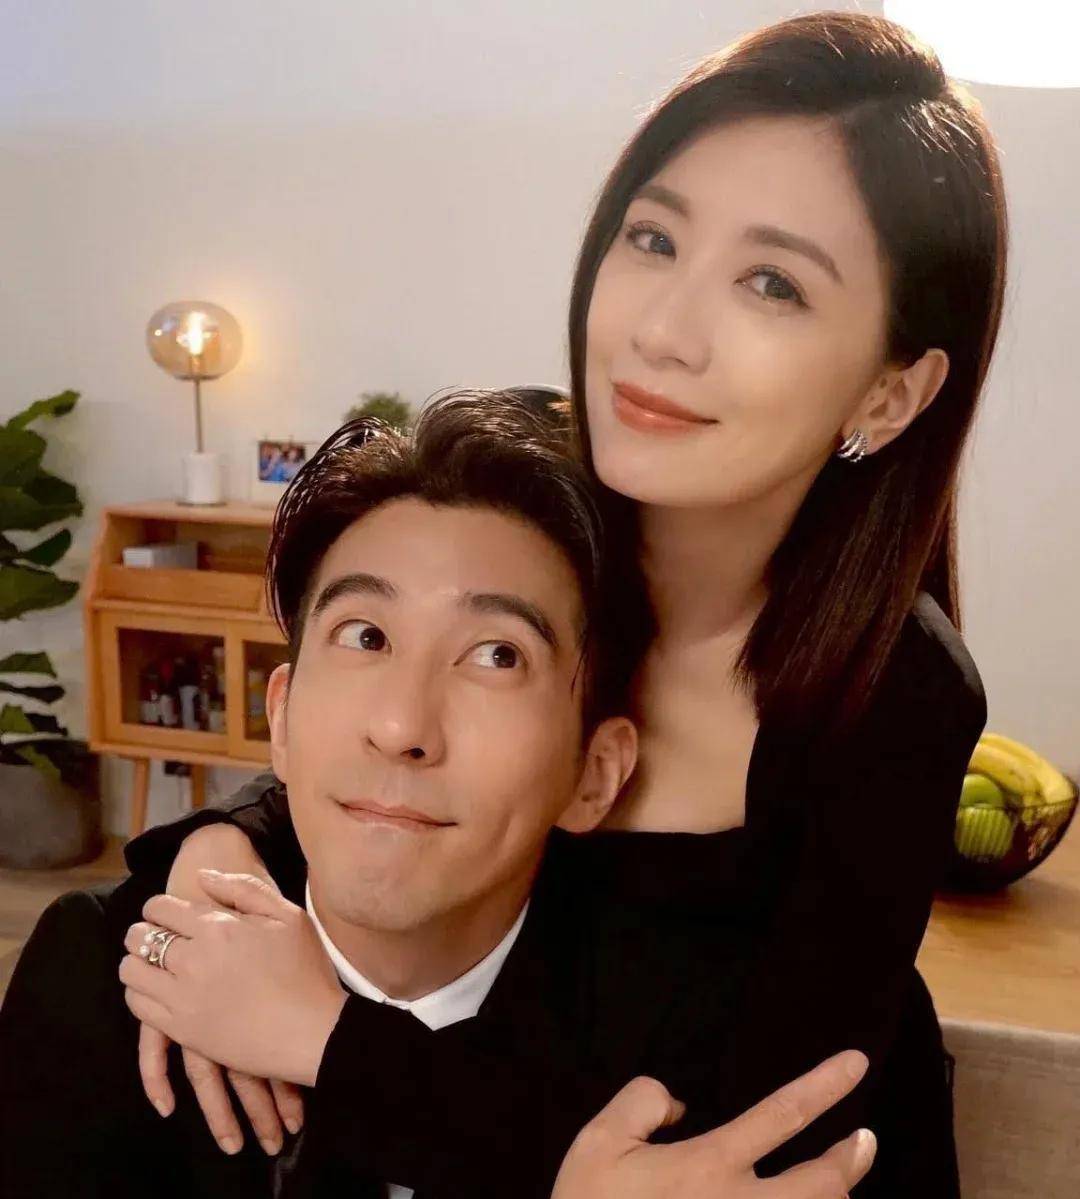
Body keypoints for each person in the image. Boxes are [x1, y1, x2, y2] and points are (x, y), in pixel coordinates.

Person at [120, 9, 1003, 1197]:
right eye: (653, 238)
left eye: (772, 282)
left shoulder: (898, 690)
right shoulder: (534, 505)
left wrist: (326, 1040)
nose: (661, 330)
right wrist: (219, 848)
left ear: (890, 395)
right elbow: (379, 739)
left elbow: (741, 1152)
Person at [0, 391, 876, 1199]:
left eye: (497, 655)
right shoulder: (104, 976)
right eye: (364, 635)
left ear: (595, 773)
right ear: (283, 716)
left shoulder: (729, 1042)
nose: (400, 726)